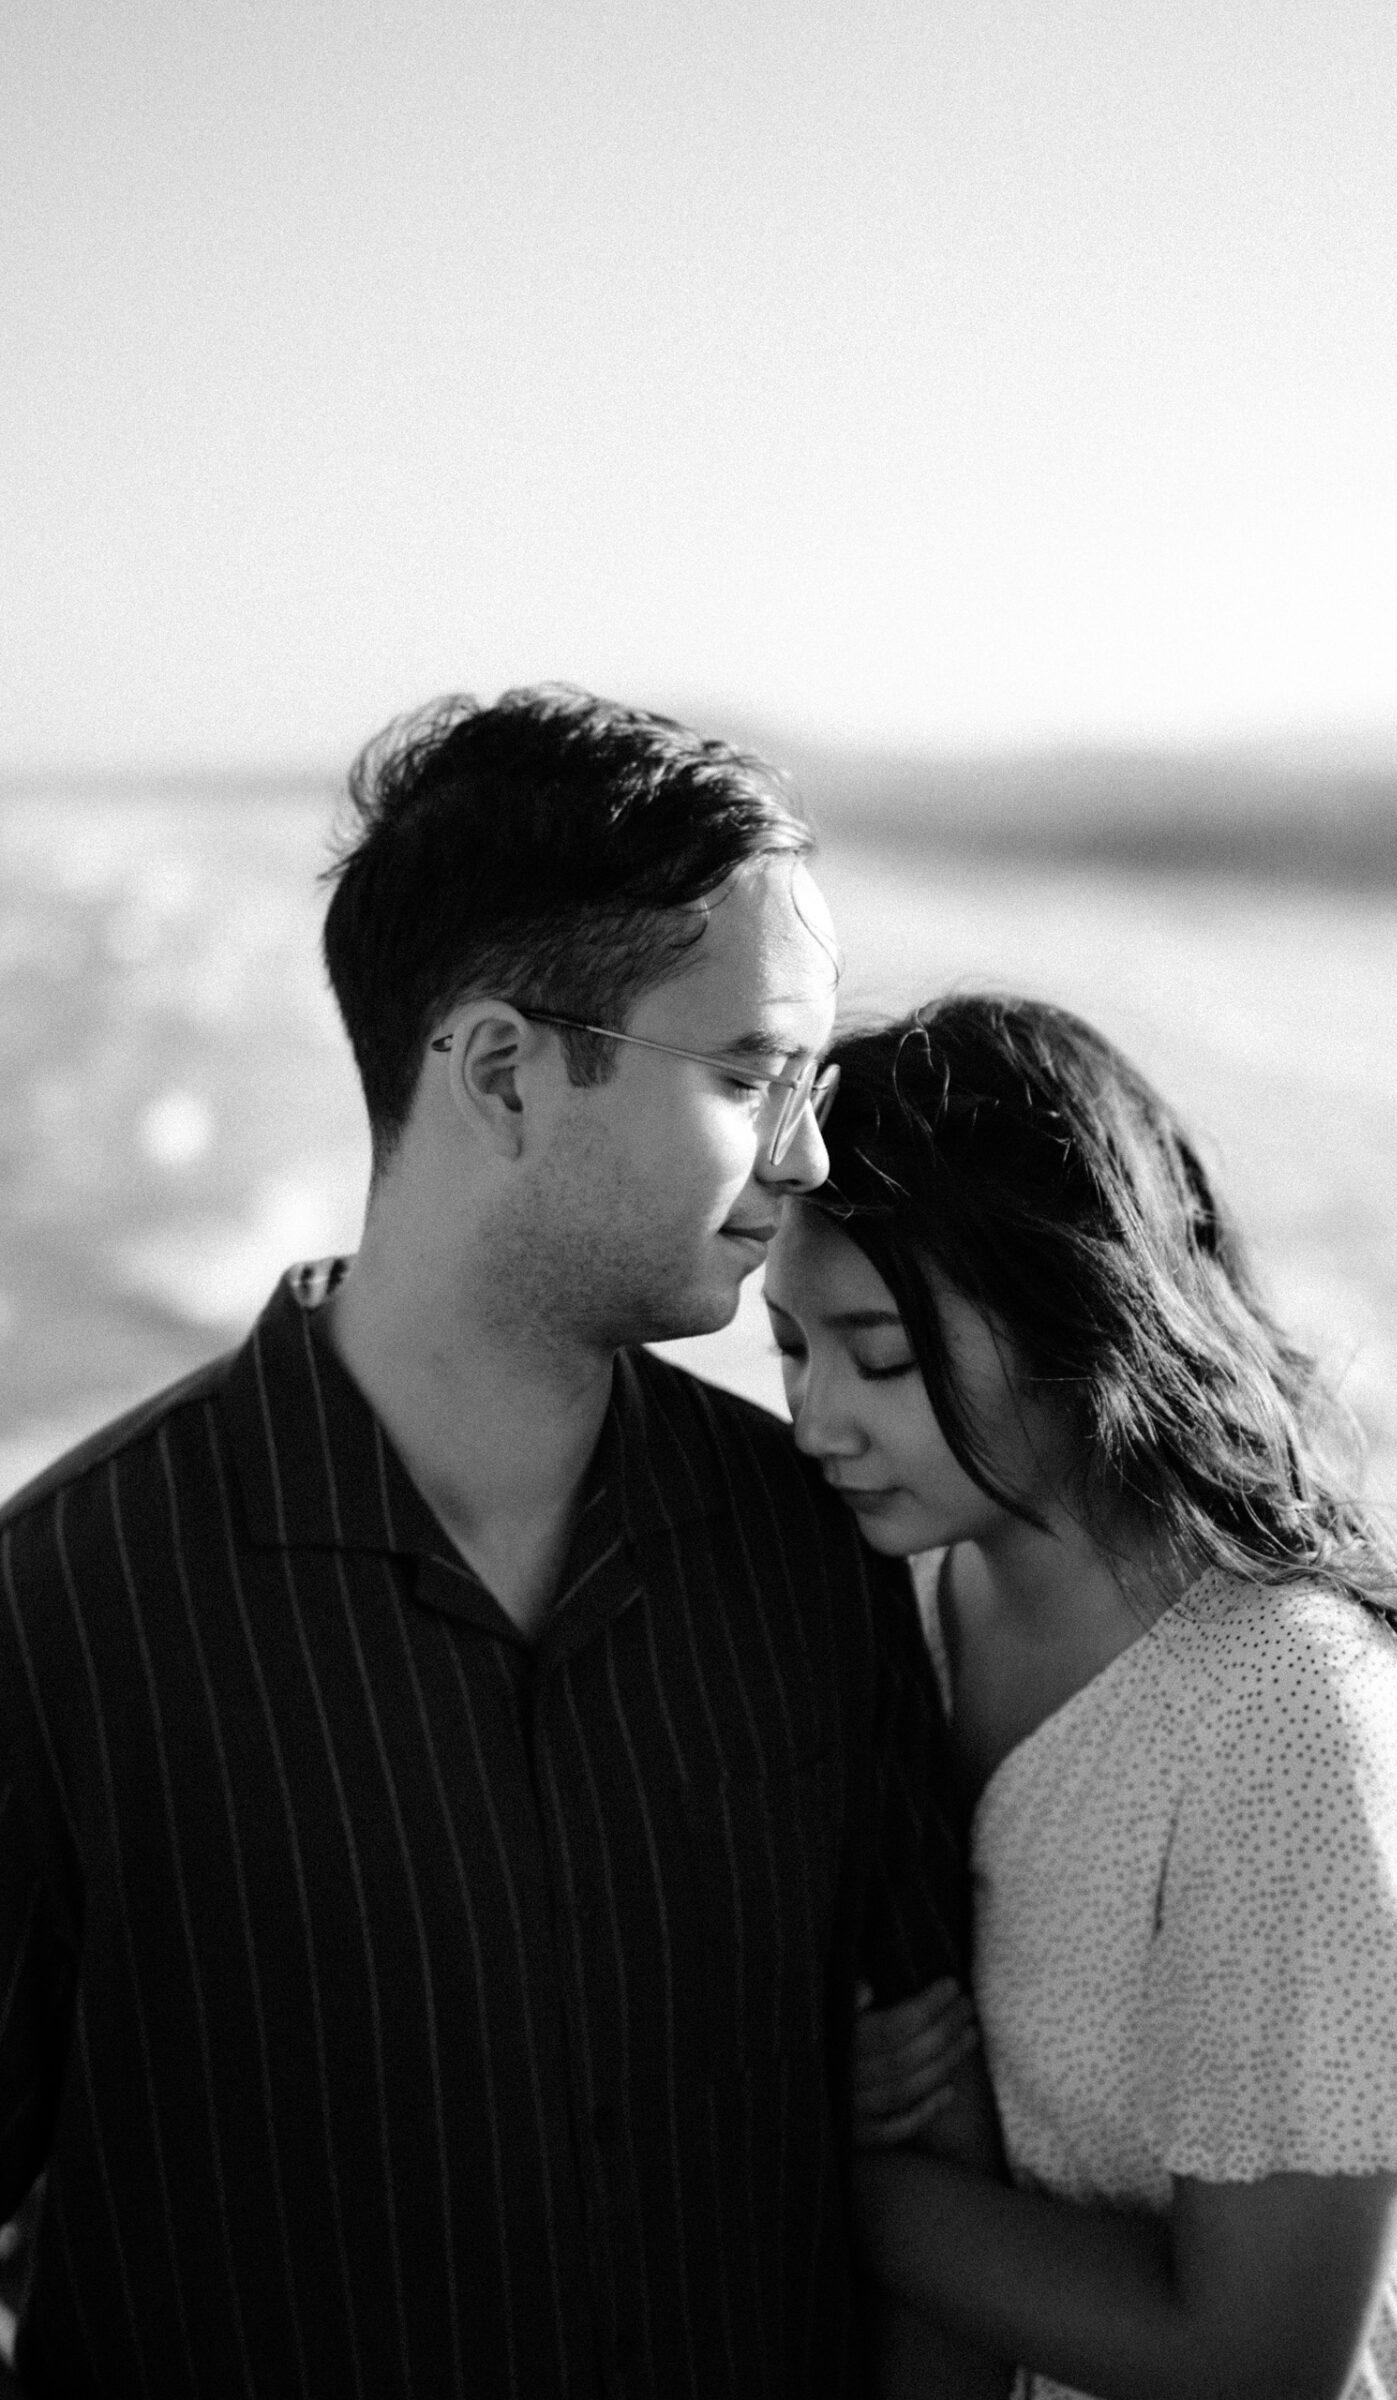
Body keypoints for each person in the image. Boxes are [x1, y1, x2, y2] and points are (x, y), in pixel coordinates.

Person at [0, 691, 1003, 2400]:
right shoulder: (66, 1612)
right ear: (500, 1072)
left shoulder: (817, 1548)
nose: (808, 1156)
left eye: (811, 1080)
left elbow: (931, 2127)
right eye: (754, 1073)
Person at [763, 993, 1397, 2400]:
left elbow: (1258, 2357)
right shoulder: (908, 1599)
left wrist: (810, 2163)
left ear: (1077, 1311)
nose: (816, 1421)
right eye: (790, 1350)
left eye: (883, 1356)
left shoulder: (1292, 1712)